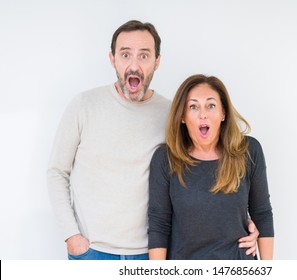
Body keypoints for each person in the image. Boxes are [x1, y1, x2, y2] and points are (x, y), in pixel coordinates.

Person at [47, 20, 259, 260]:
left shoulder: (174, 115)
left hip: (152, 253)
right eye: (125, 54)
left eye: (144, 56)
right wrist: (72, 236)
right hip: (92, 252)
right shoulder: (83, 106)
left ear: (157, 61)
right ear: (112, 58)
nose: (134, 65)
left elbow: (205, 167)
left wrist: (241, 220)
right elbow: (57, 172)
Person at [148, 74, 274, 260]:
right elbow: (159, 224)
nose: (203, 113)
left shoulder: (249, 151)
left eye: (211, 105)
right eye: (193, 106)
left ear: (223, 113)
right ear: (182, 116)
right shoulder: (165, 158)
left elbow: (262, 213)